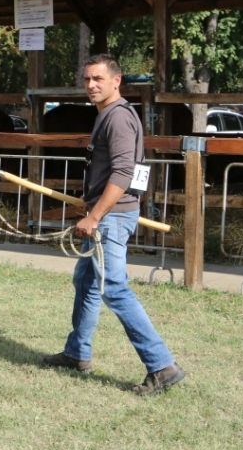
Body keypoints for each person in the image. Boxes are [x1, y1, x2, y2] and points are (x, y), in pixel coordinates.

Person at [43, 53, 185, 396]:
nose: (91, 85)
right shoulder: (110, 114)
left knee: (115, 288)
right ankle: (77, 352)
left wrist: (95, 215)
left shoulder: (118, 119)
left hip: (111, 217)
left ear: (116, 81)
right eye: (87, 79)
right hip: (112, 213)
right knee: (87, 280)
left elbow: (123, 173)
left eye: (98, 79)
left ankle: (161, 365)